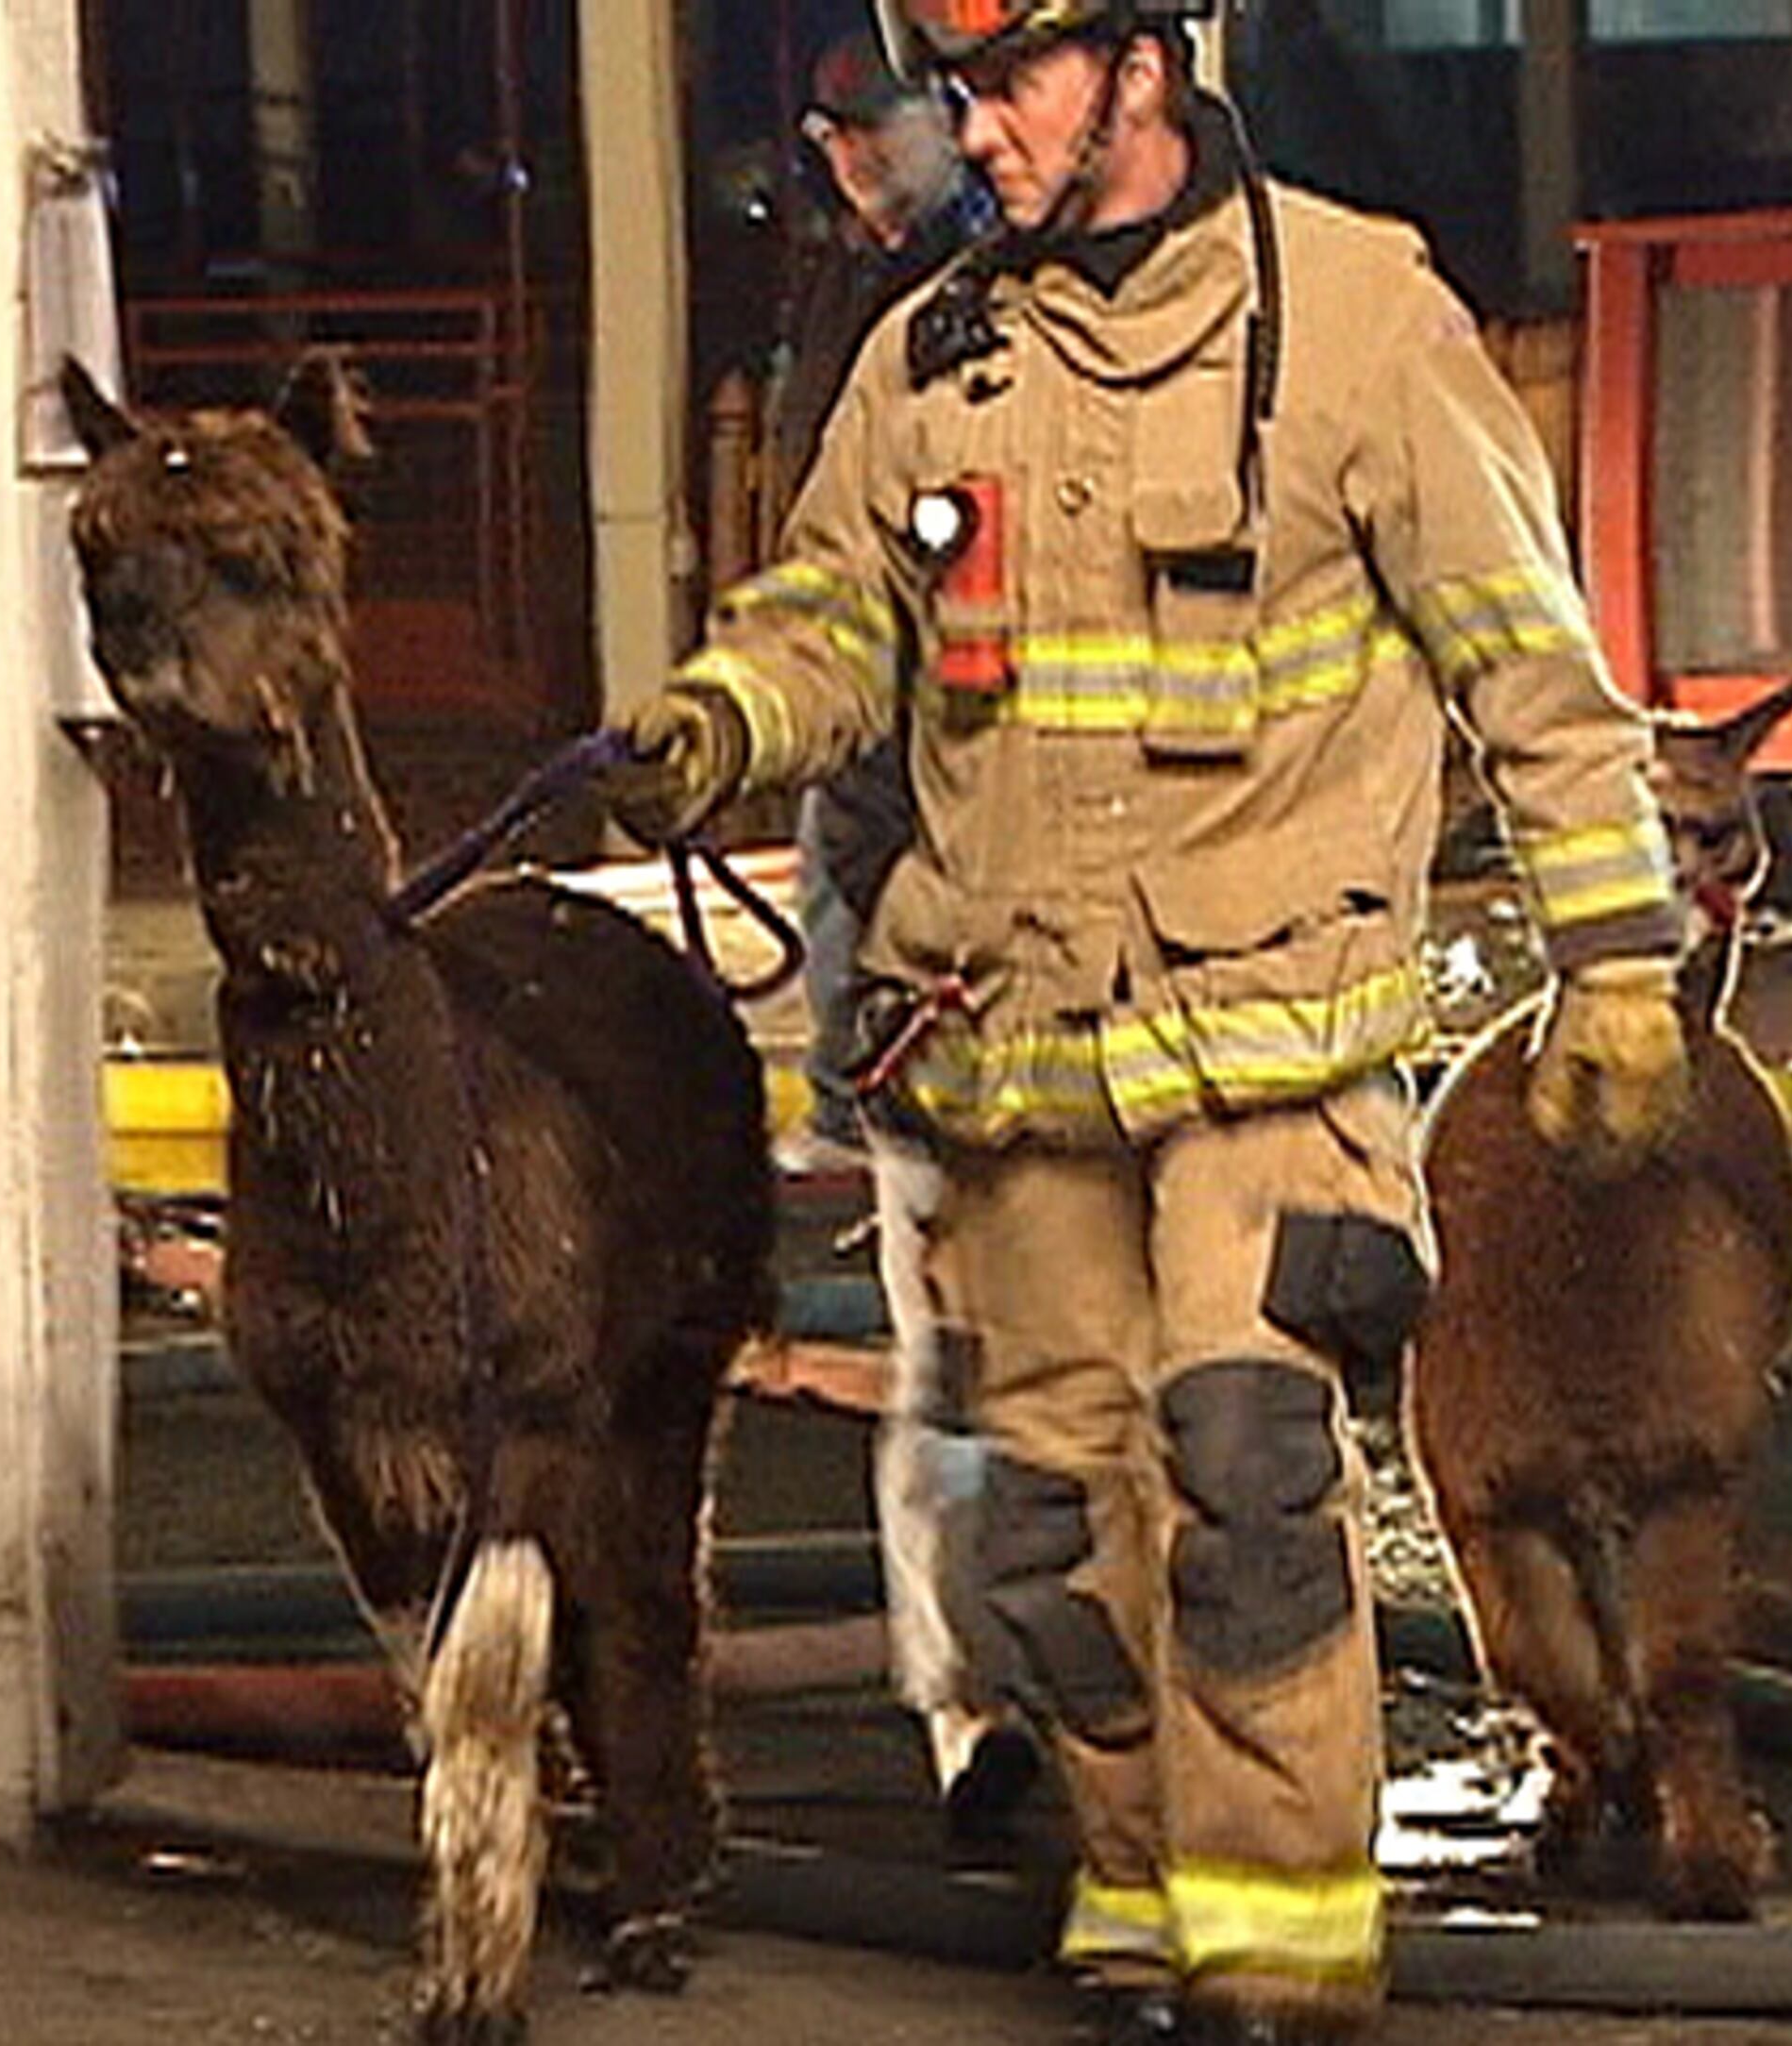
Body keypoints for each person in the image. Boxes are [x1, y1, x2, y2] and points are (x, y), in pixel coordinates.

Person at [607, 3, 1693, 2038]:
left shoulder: (1362, 320)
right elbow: (841, 608)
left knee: (1246, 1457)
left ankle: (1282, 1949)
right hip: (1014, 1038)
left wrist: (1614, 959)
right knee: (1050, 1518)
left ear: (1144, 66)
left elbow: (1531, 672)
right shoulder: (935, 356)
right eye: (960, 87)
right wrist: (722, 712)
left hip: (1272, 1035)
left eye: (1008, 79)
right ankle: (1136, 1875)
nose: (972, 129)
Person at [763, 26, 1042, 1840]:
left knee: (1156, 1389)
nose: (855, 148)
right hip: (919, 914)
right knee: (949, 1357)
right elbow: (829, 596)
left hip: (1088, 934)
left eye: (891, 117)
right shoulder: (860, 319)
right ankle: (979, 1736)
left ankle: (1085, 1717)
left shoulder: (1052, 310)